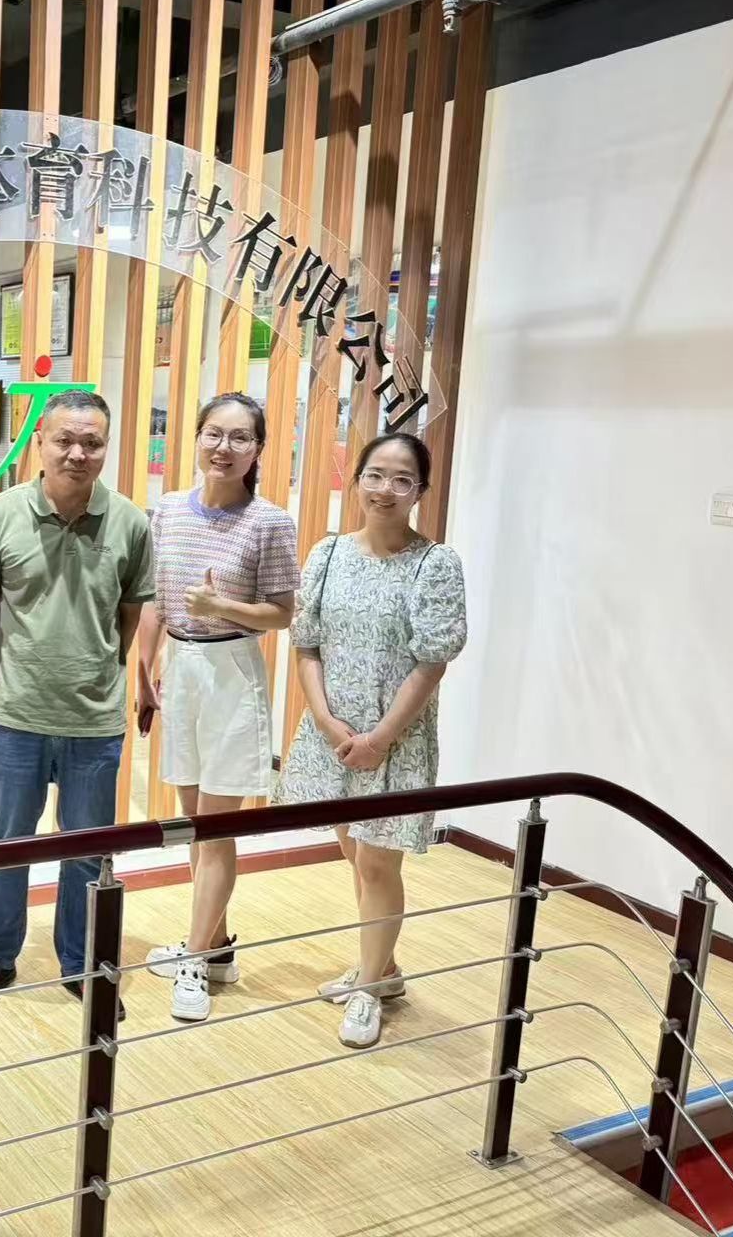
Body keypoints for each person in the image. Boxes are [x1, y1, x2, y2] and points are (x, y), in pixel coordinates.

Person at [0, 389, 154, 1016]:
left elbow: (130, 614)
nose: (77, 453)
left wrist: (98, 670)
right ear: (39, 441)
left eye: (92, 442)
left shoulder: (130, 523)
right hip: (16, 712)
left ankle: (83, 961)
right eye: (64, 440)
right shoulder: (0, 516)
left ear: (106, 447)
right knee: (7, 843)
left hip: (93, 718)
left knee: (87, 849)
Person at [280, 432, 468, 1049]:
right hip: (333, 735)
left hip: (396, 739)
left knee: (378, 861)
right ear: (357, 479)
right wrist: (326, 721)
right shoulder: (328, 553)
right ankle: (380, 967)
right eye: (375, 475)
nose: (386, 489)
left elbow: (432, 661)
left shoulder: (434, 564)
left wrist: (382, 737)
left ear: (420, 491)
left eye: (402, 479)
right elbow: (306, 644)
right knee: (352, 851)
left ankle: (368, 989)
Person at [137, 394, 299, 1022]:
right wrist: (143, 669)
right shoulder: (169, 511)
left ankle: (197, 959)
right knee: (192, 822)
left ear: (258, 449)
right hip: (181, 668)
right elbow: (155, 600)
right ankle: (217, 945)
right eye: (213, 433)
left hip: (232, 670)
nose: (223, 448)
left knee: (216, 828)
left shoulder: (270, 522)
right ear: (197, 436)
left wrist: (221, 607)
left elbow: (282, 614)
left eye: (239, 438)